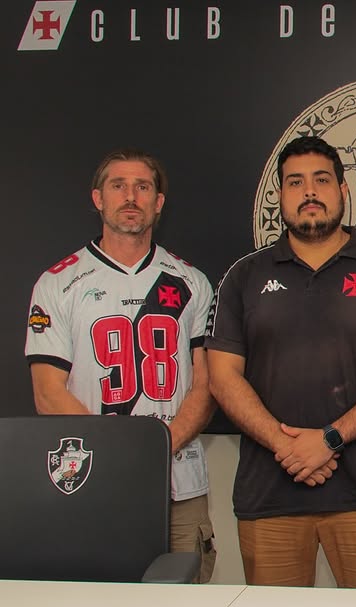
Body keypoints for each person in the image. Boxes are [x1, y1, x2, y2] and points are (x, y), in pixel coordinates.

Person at [205, 136, 356, 588]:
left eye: (321, 180)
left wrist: (330, 439)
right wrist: (287, 446)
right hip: (269, 500)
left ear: (343, 190)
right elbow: (222, 377)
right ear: (280, 196)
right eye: (295, 182)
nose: (309, 191)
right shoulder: (243, 277)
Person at [25, 148, 217, 582]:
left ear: (158, 202)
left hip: (178, 481)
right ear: (98, 198)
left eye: (142, 187)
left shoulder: (192, 281)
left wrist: (155, 451)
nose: (131, 196)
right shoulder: (58, 283)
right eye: (118, 186)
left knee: (184, 593)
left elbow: (205, 386)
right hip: (93, 481)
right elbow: (48, 393)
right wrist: (115, 456)